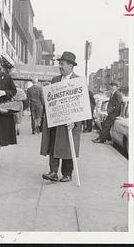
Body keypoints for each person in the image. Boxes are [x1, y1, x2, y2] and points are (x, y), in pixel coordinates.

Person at [41, 51, 82, 182]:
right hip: (56, 120)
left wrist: (75, 122)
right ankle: (53, 172)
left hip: (70, 122)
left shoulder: (78, 81)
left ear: (71, 66)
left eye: (62, 64)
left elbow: (82, 105)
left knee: (68, 147)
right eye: (59, 63)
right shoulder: (55, 80)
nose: (60, 66)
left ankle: (67, 173)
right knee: (53, 145)